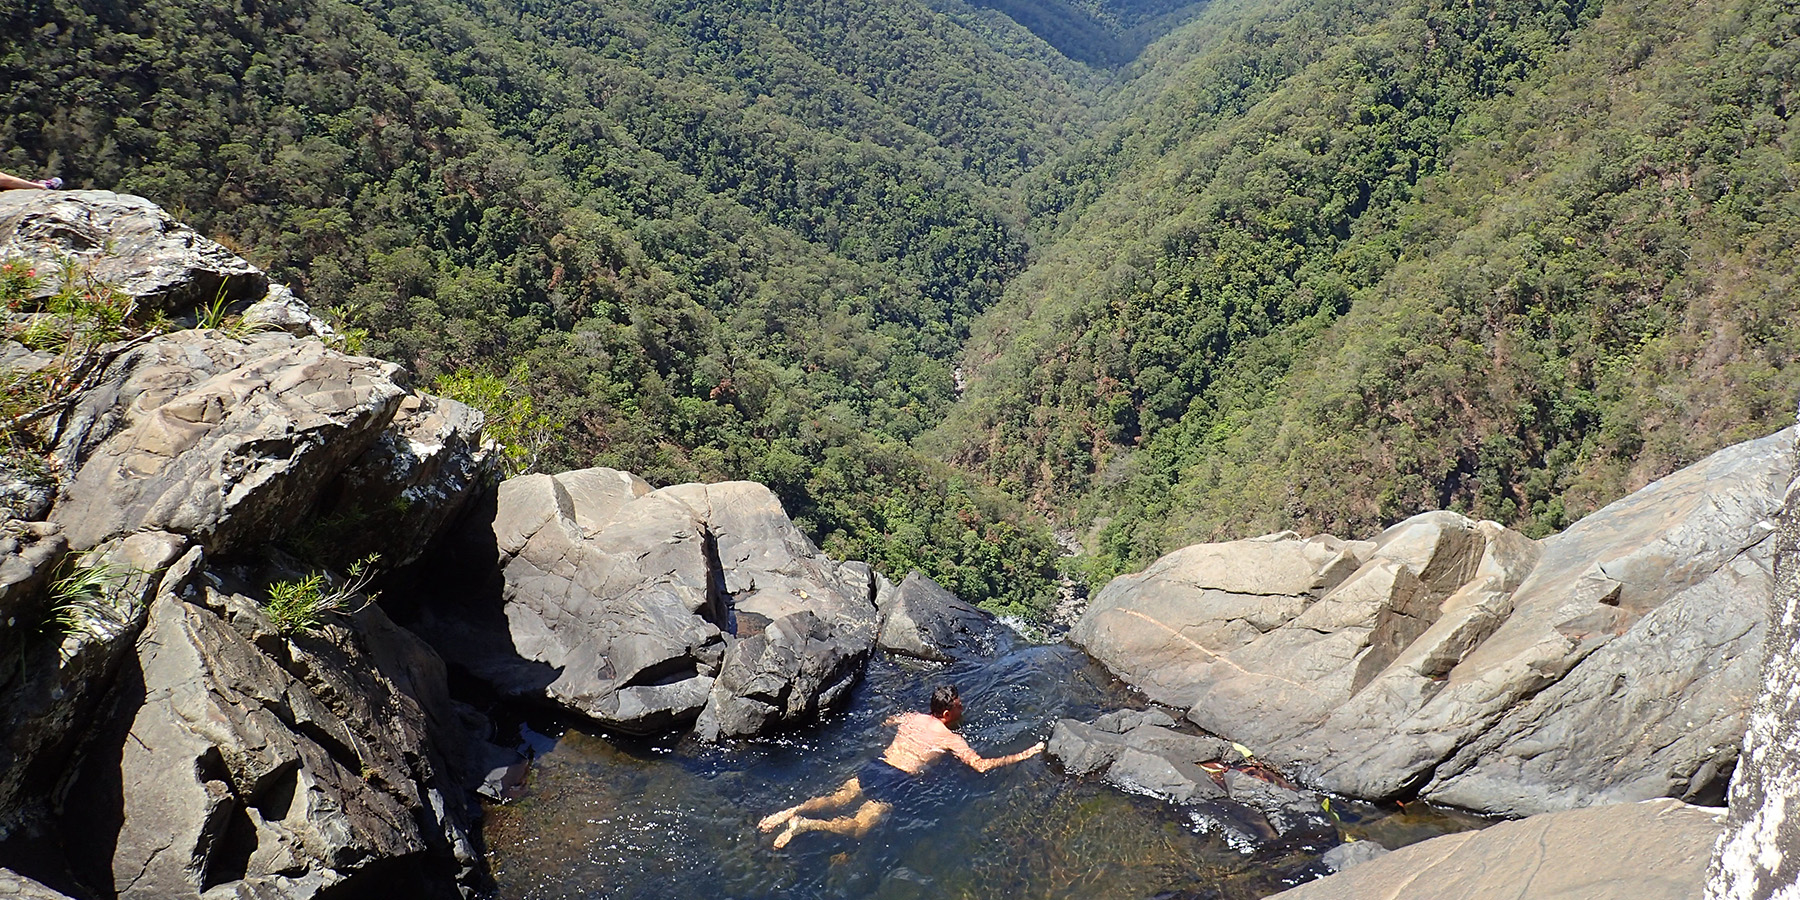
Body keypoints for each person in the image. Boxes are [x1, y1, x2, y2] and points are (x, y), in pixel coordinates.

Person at [757, 684, 1045, 848]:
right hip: (896, 780)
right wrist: (1023, 755)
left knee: (835, 799)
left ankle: (790, 811)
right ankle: (805, 825)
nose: (963, 707)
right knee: (859, 827)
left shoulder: (911, 717)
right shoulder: (950, 736)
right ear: (947, 713)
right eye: (959, 705)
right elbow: (980, 766)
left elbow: (888, 721)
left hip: (877, 764)